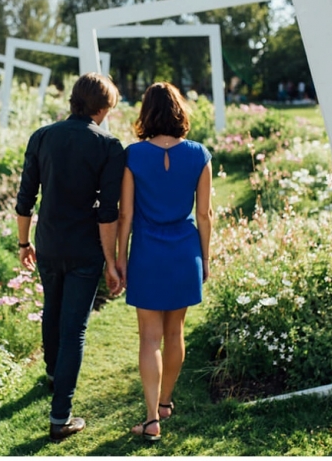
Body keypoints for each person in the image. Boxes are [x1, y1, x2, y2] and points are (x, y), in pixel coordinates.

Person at [15, 72, 125, 442]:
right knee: (74, 326)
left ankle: (52, 374)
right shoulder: (110, 147)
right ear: (102, 107)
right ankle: (60, 417)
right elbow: (108, 211)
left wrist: (22, 244)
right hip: (84, 248)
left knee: (52, 310)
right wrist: (111, 261)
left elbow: (26, 196)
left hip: (47, 242)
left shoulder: (42, 136)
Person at [116, 82, 213, 441]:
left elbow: (125, 215)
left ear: (147, 113)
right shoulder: (200, 154)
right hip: (185, 252)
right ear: (180, 112)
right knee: (175, 334)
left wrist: (119, 259)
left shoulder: (133, 155)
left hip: (147, 253)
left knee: (149, 339)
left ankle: (151, 418)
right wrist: (205, 257)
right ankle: (166, 404)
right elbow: (205, 214)